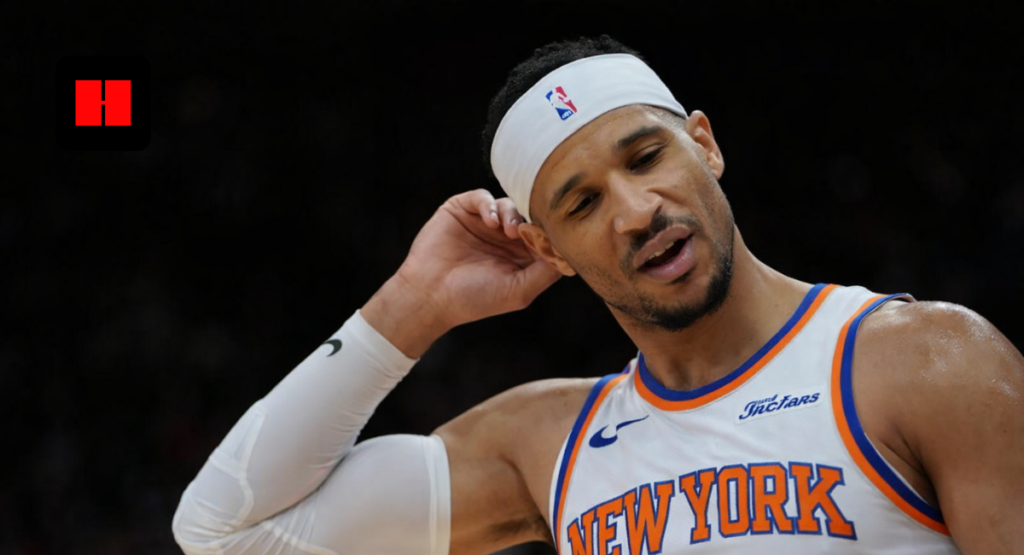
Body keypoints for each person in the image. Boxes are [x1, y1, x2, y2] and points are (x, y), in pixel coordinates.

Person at [171, 35, 1024, 555]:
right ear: (548, 249)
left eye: (647, 157)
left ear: (705, 144)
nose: (635, 211)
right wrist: (412, 303)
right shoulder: (543, 443)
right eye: (581, 203)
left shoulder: (924, 361)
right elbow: (221, 531)